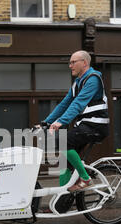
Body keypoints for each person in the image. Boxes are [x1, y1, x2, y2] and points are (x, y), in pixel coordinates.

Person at [41, 50, 109, 193]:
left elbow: (78, 103)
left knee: (63, 142)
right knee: (64, 164)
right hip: (85, 126)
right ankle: (61, 202)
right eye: (70, 62)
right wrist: (46, 122)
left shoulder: (93, 79)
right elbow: (65, 104)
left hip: (96, 126)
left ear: (84, 63)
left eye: (73, 62)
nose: (70, 66)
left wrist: (62, 122)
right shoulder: (78, 82)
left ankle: (86, 179)